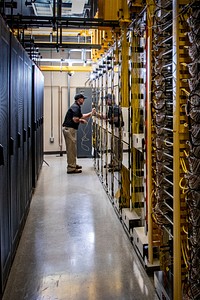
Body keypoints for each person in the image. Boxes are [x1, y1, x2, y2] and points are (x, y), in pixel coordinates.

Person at [62, 93, 96, 174]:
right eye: (83, 99)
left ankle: (73, 164)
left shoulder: (76, 107)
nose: (83, 100)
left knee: (73, 148)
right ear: (79, 99)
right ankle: (71, 168)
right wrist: (81, 121)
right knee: (71, 149)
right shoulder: (75, 107)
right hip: (69, 129)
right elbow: (75, 119)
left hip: (70, 129)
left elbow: (82, 115)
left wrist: (91, 113)